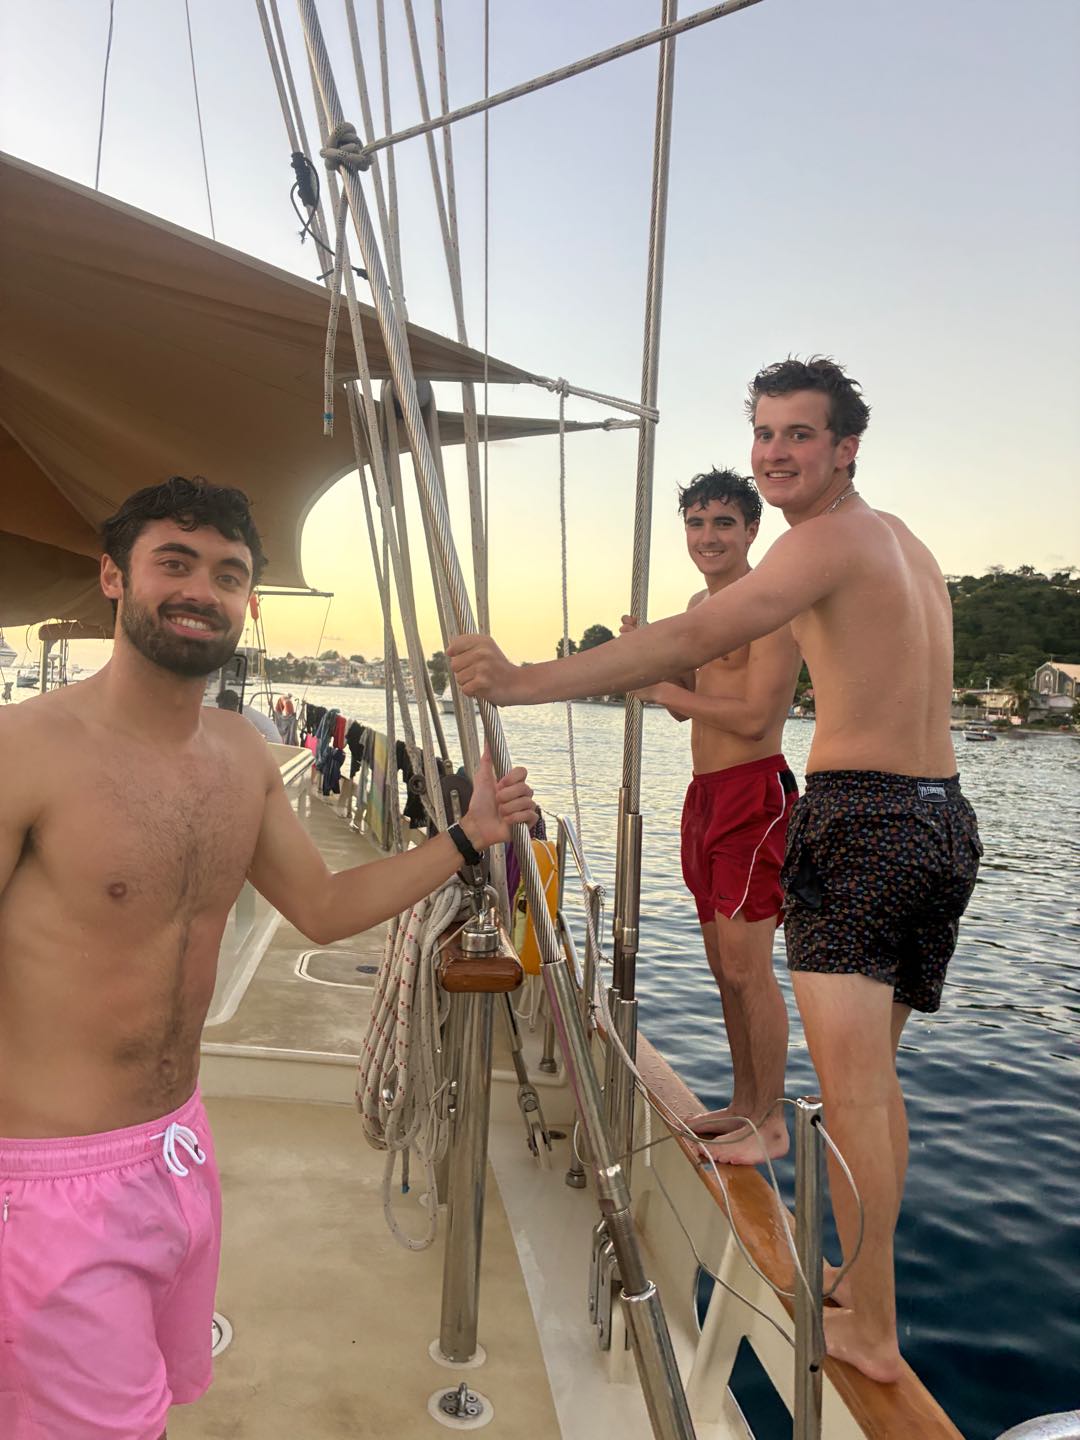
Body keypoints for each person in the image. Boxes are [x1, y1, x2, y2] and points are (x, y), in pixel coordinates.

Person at [448, 357, 982, 1384]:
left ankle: (873, 1326)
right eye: (765, 433)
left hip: (864, 820)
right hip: (938, 819)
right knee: (873, 1092)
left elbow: (696, 633)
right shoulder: (900, 541)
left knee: (852, 1096)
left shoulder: (822, 541)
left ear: (846, 449)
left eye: (799, 435)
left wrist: (521, 682)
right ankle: (858, 1278)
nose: (775, 453)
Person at [0, 475, 536, 1440]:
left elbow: (324, 908)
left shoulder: (241, 756)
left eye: (228, 573)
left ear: (248, 599)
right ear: (113, 577)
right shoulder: (24, 750)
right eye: (174, 562)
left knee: (156, 1406)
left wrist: (467, 836)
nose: (201, 590)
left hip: (178, 1152)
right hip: (44, 1184)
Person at [623, 469, 800, 1164]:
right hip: (704, 796)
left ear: (752, 530)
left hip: (755, 796)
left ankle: (771, 1119)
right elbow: (682, 704)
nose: (708, 536)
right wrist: (653, 658)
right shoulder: (700, 605)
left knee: (748, 967)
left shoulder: (773, 607)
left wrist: (664, 687)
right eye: (696, 523)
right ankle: (743, 1102)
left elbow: (756, 717)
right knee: (723, 967)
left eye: (723, 523)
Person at [216, 684, 280, 742]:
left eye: (222, 706)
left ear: (229, 705)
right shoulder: (240, 711)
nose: (220, 709)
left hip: (272, 742)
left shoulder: (244, 714)